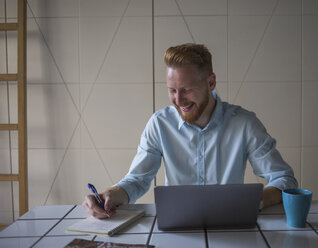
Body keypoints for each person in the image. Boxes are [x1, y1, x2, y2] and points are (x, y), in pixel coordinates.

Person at [83, 43, 298, 219]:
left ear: (211, 82)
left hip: (232, 229)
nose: (179, 100)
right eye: (172, 90)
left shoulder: (245, 123)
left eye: (186, 90)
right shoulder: (159, 124)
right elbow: (137, 180)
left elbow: (284, 179)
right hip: (176, 232)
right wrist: (110, 195)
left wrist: (251, 201)